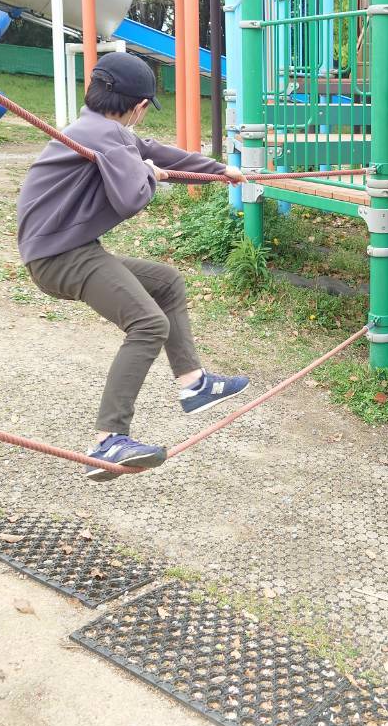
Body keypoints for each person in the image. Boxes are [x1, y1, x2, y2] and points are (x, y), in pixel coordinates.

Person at [16, 51, 249, 482]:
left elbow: (153, 151)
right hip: (61, 255)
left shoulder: (95, 128)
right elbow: (132, 197)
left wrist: (218, 171)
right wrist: (152, 176)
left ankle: (194, 383)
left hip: (62, 249)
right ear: (139, 106)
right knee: (147, 324)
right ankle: (109, 439)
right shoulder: (107, 135)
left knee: (166, 282)